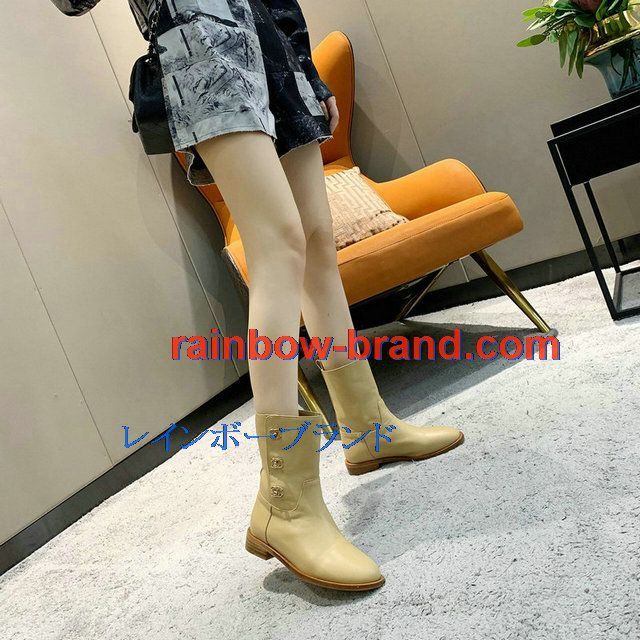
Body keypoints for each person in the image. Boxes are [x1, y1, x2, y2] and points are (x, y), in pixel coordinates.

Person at [51, 0, 464, 591]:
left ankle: (367, 426)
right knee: (278, 244)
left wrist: (305, 66)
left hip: (271, 43)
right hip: (203, 44)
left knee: (317, 241)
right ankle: (285, 501)